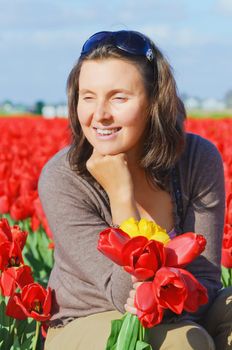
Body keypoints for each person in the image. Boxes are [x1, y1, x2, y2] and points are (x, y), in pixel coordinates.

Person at [38, 30, 232, 350]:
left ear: (154, 101)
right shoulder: (63, 178)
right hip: (88, 319)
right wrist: (121, 197)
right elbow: (122, 294)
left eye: (118, 97)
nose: (99, 114)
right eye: (88, 96)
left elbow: (207, 285)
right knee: (185, 342)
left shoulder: (197, 160)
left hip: (183, 311)